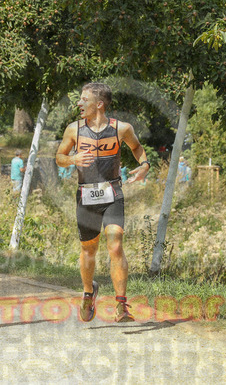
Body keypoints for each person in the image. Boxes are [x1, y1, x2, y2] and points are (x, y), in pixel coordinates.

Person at [55, 82, 150, 323]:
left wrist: (144, 166)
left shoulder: (121, 129)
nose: (79, 103)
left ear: (99, 104)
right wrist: (73, 159)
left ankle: (121, 305)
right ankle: (89, 292)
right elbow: (59, 157)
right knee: (89, 249)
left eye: (83, 99)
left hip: (112, 194)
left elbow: (137, 148)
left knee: (115, 245)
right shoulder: (74, 130)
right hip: (86, 196)